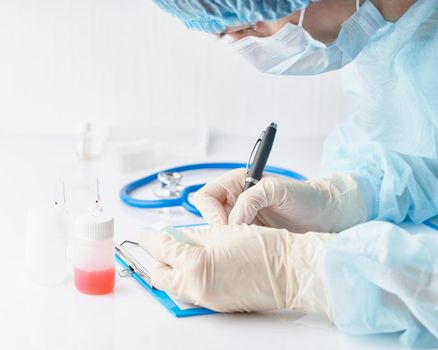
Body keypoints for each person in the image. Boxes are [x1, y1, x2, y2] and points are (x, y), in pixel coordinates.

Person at [139, 0, 438, 347]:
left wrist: (297, 271)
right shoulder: (404, 29)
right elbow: (423, 148)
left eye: (252, 22)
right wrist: (342, 197)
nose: (247, 44)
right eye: (227, 33)